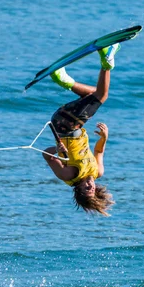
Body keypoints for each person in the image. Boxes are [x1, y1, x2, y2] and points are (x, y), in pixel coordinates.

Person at [42, 44, 120, 216]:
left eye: (86, 190)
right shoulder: (97, 172)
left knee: (102, 95)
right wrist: (104, 137)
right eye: (92, 189)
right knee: (95, 94)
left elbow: (46, 155)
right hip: (74, 124)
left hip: (66, 125)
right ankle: (63, 79)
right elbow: (98, 152)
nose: (89, 186)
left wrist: (58, 150)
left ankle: (106, 61)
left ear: (78, 190)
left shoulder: (70, 175)